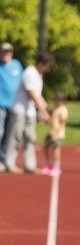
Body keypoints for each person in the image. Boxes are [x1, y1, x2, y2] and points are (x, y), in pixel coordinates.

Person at [3, 50, 53, 174]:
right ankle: (9, 163)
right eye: (47, 66)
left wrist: (46, 108)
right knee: (15, 137)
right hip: (19, 110)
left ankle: (30, 165)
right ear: (42, 63)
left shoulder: (38, 74)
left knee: (30, 137)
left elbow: (38, 95)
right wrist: (43, 112)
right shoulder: (29, 73)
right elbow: (31, 94)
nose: (48, 69)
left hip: (29, 112)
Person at [0, 42, 23, 172]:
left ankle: (5, 159)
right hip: (0, 105)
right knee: (0, 132)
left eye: (8, 51)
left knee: (11, 134)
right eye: (4, 51)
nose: (6, 54)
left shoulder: (17, 65)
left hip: (14, 106)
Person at [42, 91, 68, 175]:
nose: (56, 102)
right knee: (46, 147)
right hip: (51, 131)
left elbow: (62, 122)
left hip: (58, 133)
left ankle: (57, 166)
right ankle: (48, 164)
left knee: (56, 149)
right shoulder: (56, 109)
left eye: (58, 100)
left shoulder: (63, 110)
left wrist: (57, 132)